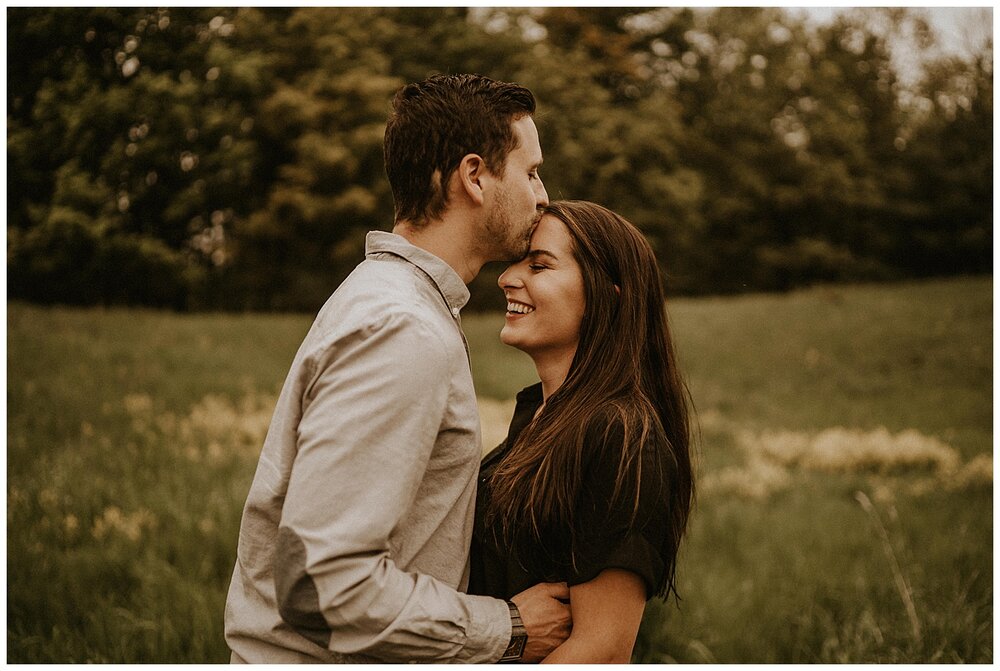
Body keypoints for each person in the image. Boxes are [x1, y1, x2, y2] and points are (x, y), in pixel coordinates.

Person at [224, 74, 572, 663]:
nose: (543, 194)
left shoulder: (395, 305)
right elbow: (322, 584)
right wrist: (507, 626)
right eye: (531, 171)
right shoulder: (401, 327)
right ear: (474, 176)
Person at [469, 200, 696, 663]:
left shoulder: (622, 435)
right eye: (517, 262)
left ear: (605, 296)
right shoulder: (541, 418)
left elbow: (602, 649)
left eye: (539, 265)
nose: (508, 277)